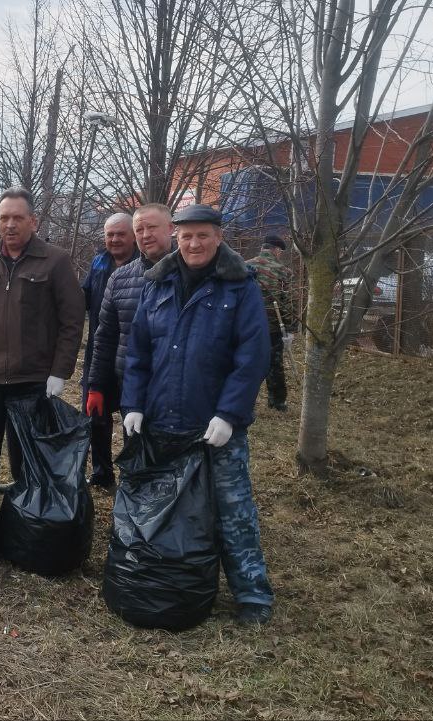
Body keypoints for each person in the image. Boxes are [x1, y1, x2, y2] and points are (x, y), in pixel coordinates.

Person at [120, 204, 275, 626]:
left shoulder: (239, 285)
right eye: (187, 236)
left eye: (203, 235)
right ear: (176, 236)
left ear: (218, 237)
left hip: (215, 427)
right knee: (156, 506)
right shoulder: (158, 283)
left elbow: (253, 356)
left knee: (233, 509)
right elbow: (138, 352)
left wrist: (229, 414)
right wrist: (132, 404)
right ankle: (161, 580)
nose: (194, 244)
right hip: (162, 420)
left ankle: (252, 595)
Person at [0, 186, 84, 482]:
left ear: (33, 221)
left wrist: (59, 372)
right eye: (4, 218)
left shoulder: (55, 261)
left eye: (17, 217)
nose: (10, 224)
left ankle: (21, 521)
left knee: (25, 459)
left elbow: (72, 321)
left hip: (33, 381)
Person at [85, 204, 174, 486]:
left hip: (174, 384)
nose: (146, 235)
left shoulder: (191, 273)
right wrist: (96, 384)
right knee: (133, 445)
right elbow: (104, 334)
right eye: (140, 229)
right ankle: (130, 497)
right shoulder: (114, 274)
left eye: (152, 228)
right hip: (128, 380)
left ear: (171, 229)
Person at [80, 213, 137, 488]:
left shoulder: (145, 264)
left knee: (132, 421)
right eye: (109, 234)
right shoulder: (99, 261)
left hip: (130, 357)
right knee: (95, 418)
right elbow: (85, 296)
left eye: (120, 234)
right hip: (98, 353)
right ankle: (102, 474)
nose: (114, 239)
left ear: (134, 235)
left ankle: (131, 474)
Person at [247, 235, 297, 411]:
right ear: (276, 250)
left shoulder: (245, 266)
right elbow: (286, 302)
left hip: (246, 325)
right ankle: (277, 402)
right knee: (274, 364)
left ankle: (245, 401)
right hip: (272, 326)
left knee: (246, 362)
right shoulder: (283, 271)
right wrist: (290, 329)